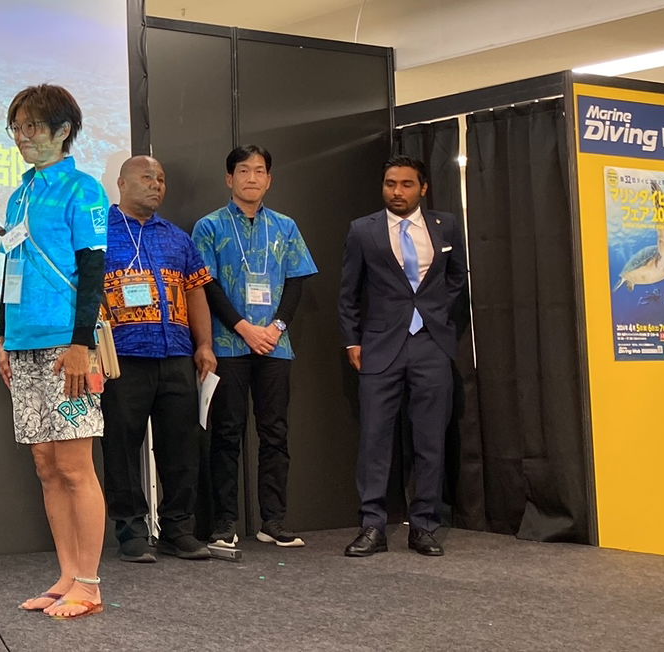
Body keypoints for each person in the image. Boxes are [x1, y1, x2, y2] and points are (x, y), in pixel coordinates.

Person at [0, 84, 110, 621]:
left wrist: (82, 343)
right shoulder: (19, 195)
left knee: (75, 464)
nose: (23, 137)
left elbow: (93, 268)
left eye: (33, 127)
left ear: (64, 131)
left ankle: (89, 582)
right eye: (17, 127)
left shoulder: (83, 189)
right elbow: (10, 267)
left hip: (67, 343)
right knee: (45, 463)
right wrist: (2, 335)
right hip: (23, 341)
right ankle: (66, 575)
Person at [338, 155, 466, 558]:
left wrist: (436, 315)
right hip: (380, 346)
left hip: (431, 344)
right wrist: (352, 341)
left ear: (423, 188)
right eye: (390, 183)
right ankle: (372, 526)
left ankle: (424, 525)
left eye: (406, 184)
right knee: (375, 438)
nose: (397, 191)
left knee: (430, 438)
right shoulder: (363, 230)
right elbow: (348, 293)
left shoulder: (447, 225)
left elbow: (457, 278)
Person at [191, 145, 318, 549]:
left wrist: (276, 328)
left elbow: (296, 281)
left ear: (269, 179)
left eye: (259, 171)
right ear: (229, 179)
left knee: (275, 433)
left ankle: (273, 521)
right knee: (227, 434)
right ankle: (224, 523)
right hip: (228, 345)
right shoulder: (209, 227)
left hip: (275, 346)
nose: (251, 178)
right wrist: (244, 328)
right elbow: (206, 285)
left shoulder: (285, 226)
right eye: (243, 171)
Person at [101, 155, 217, 563]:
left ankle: (177, 529)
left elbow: (196, 291)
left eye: (162, 179)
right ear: (121, 183)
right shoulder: (99, 233)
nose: (156, 185)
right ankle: (131, 531)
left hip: (176, 355)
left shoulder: (178, 238)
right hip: (123, 357)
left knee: (182, 448)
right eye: (147, 177)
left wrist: (204, 345)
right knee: (121, 448)